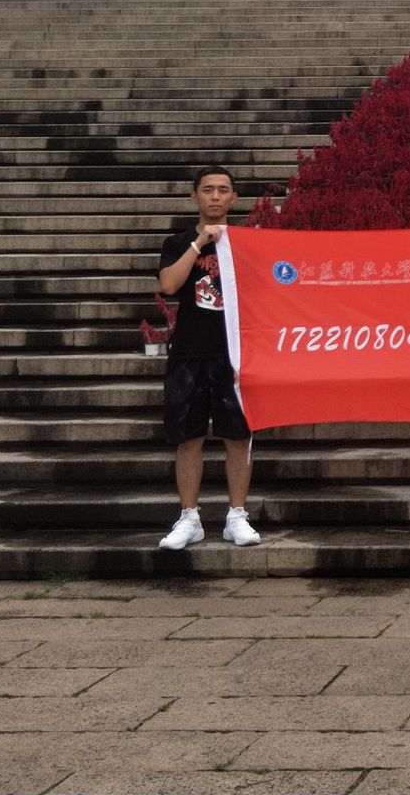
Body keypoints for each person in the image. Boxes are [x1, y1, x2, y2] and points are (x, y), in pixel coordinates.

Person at [154, 166, 259, 550]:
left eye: (223, 190)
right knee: (189, 437)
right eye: (208, 190)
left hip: (234, 354)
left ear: (234, 198)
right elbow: (168, 285)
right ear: (194, 196)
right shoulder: (178, 241)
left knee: (238, 436)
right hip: (189, 352)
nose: (215, 196)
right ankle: (189, 518)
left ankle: (237, 516)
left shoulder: (249, 243)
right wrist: (199, 243)